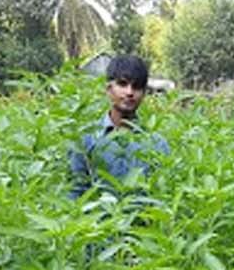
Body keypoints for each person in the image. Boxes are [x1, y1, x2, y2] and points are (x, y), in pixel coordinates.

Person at [68, 55, 170, 200]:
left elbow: (161, 196)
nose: (129, 92)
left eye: (136, 87)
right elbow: (75, 193)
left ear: (144, 94)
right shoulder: (86, 140)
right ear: (109, 89)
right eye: (122, 84)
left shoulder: (157, 144)